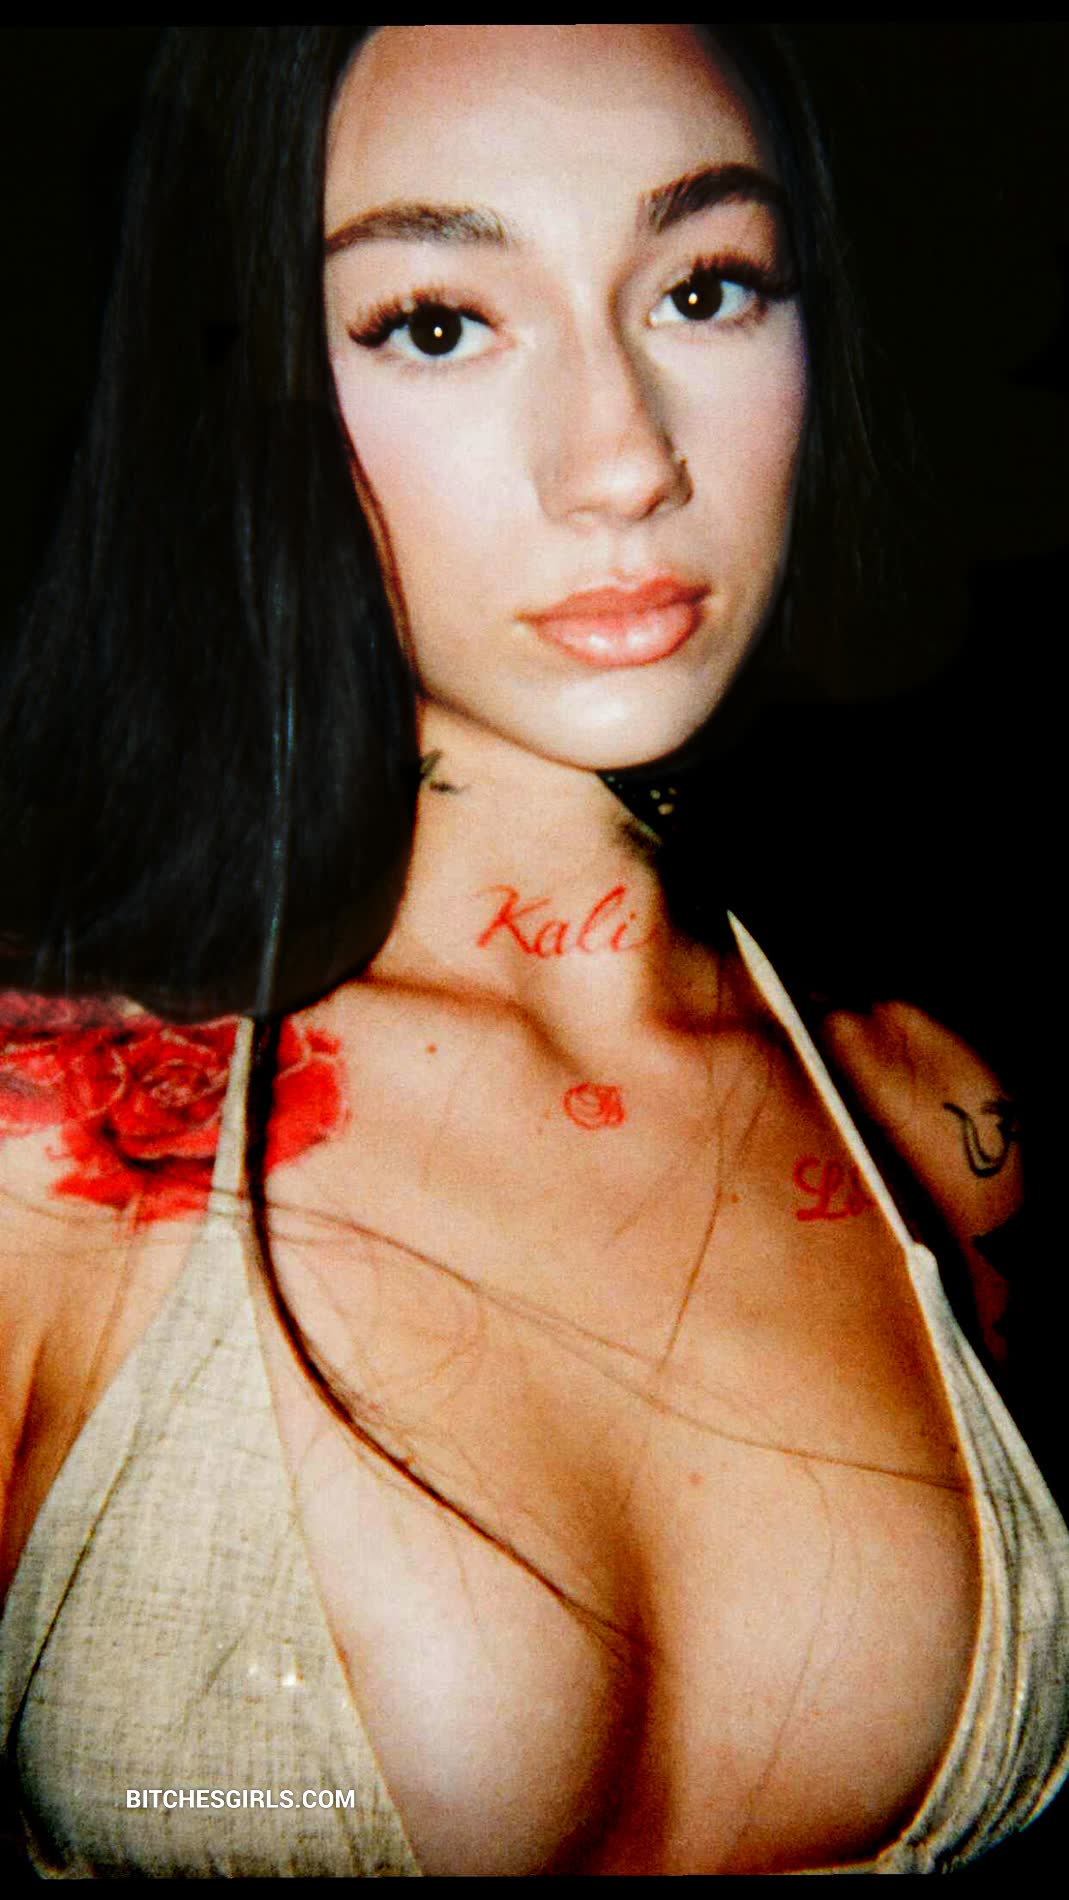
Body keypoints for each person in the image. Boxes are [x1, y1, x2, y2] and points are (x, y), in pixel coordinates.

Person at [0, 24, 1066, 1877]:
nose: (622, 459)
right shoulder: (51, 1154)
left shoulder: (924, 1115)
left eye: (704, 289)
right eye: (435, 323)